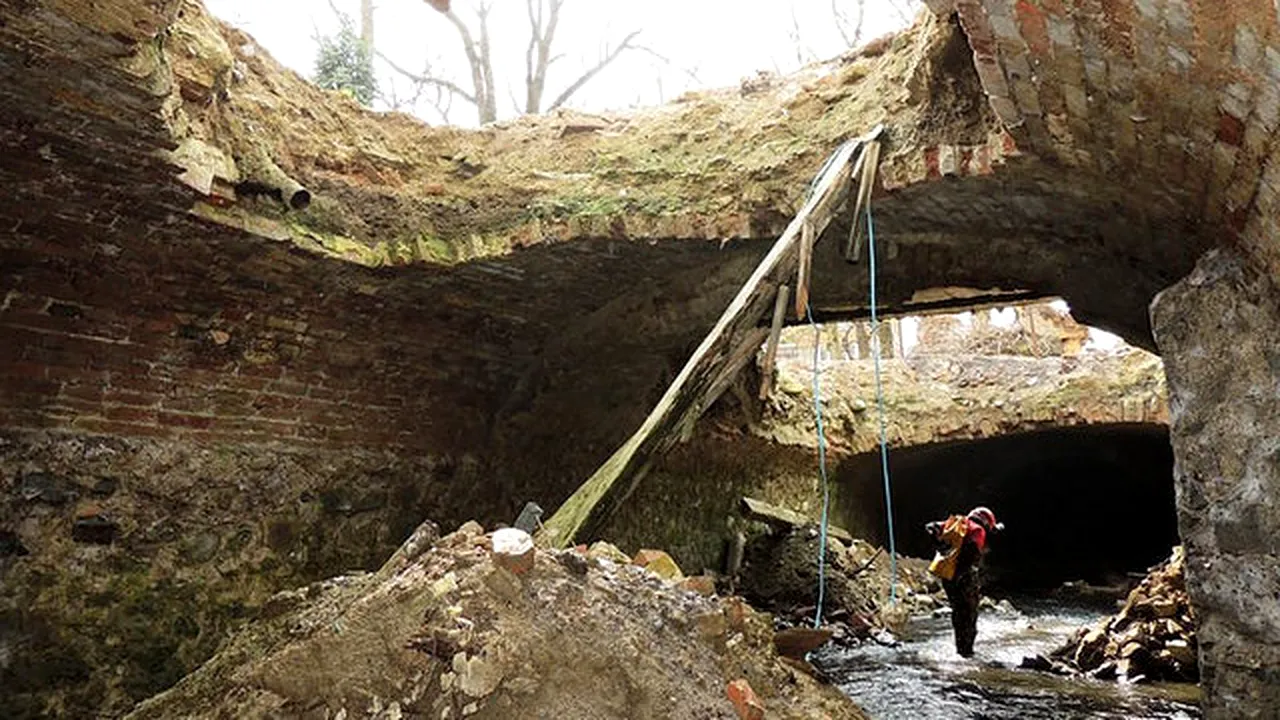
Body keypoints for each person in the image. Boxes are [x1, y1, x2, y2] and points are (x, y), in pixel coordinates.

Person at [925, 506, 1004, 657]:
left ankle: (959, 650)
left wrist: (940, 546)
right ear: (986, 522)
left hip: (948, 577)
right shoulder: (978, 530)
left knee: (958, 613)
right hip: (965, 578)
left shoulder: (957, 523)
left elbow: (930, 527)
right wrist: (962, 572)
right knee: (969, 616)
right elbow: (972, 550)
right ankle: (966, 653)